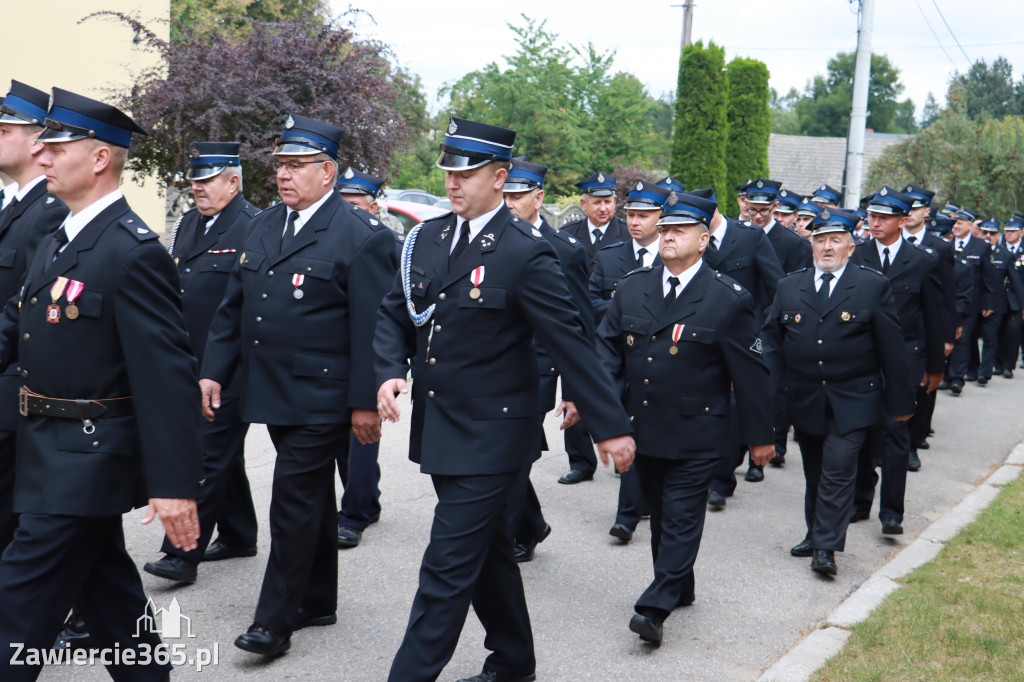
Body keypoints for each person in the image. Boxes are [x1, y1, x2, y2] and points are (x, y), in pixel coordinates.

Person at [374, 116, 635, 682]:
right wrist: (389, 370)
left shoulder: (524, 251)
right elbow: (397, 311)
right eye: (448, 172)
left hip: (495, 437)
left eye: (466, 174)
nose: (453, 184)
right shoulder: (430, 236)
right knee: (490, 553)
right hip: (442, 427)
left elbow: (573, 342)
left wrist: (609, 425)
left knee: (445, 569)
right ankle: (514, 662)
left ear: (500, 176)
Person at [0, 87, 203, 680]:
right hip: (46, 451)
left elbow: (166, 377)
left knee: (16, 612)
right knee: (111, 603)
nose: (42, 156)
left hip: (87, 460)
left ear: (99, 159)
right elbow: (15, 330)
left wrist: (174, 485)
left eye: (57, 146)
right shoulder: (59, 239)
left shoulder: (129, 252)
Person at [200, 114, 398, 656]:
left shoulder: (359, 235)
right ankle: (317, 599)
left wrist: (364, 405)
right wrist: (214, 369)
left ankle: (274, 622)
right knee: (309, 499)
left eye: (296, 166)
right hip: (272, 389)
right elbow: (232, 308)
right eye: (280, 165)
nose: (284, 175)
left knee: (290, 500)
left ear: (328, 171)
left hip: (324, 396)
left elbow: (372, 328)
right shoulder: (265, 225)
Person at [597, 189, 773, 645]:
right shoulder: (634, 286)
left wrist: (760, 438)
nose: (668, 236)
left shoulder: (727, 298)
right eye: (665, 228)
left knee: (679, 517)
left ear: (704, 240)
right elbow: (607, 355)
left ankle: (654, 608)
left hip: (698, 430)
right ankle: (681, 584)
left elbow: (752, 376)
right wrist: (599, 412)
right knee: (659, 515)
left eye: (680, 229)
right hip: (643, 427)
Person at [762, 207, 914, 575]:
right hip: (806, 397)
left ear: (851, 246)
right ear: (811, 245)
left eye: (835, 240)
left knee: (838, 469)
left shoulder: (871, 285)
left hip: (855, 397)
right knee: (815, 470)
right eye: (820, 240)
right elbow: (771, 343)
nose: (827, 247)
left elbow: (892, 346)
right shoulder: (790, 286)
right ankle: (815, 533)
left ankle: (826, 547)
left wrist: (901, 402)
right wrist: (769, 396)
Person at [141, 142, 261, 586]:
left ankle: (181, 552)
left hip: (231, 366)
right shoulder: (189, 223)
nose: (197, 188)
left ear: (233, 182)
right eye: (194, 180)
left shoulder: (253, 226)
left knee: (205, 452)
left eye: (207, 180)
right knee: (223, 453)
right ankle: (239, 533)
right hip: (190, 359)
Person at [501, 157, 591, 563]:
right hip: (496, 365)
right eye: (504, 195)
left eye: (517, 196)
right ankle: (530, 523)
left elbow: (578, 327)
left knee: (516, 450)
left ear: (538, 197)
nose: (509, 203)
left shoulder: (564, 251)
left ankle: (517, 531)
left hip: (539, 367)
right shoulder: (492, 239)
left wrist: (575, 391)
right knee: (510, 451)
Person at [850, 187, 943, 535]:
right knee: (859, 434)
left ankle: (891, 512)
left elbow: (934, 319)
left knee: (895, 437)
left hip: (904, 364)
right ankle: (860, 501)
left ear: (903, 221)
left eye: (883, 218)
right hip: (861, 361)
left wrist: (935, 367)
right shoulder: (856, 256)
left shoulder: (922, 261)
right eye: (872, 216)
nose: (874, 223)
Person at [0, 80, 68, 556]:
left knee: (24, 512)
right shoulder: (12, 203)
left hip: (18, 381)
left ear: (36, 140)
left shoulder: (48, 209)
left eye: (4, 130)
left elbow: (34, 307)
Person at [589, 180, 670, 544]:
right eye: (631, 215)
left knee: (655, 436)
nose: (635, 222)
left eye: (644, 216)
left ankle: (651, 500)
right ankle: (626, 515)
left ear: (661, 219)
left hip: (664, 361)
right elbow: (591, 302)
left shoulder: (677, 255)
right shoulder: (610, 256)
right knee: (627, 425)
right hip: (620, 357)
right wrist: (629, 312)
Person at [691, 187, 783, 505]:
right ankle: (698, 472)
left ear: (712, 214)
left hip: (743, 340)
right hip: (699, 339)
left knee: (733, 408)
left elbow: (776, 289)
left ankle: (721, 480)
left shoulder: (749, 237)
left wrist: (763, 337)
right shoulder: (691, 240)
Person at [554, 171, 628, 485]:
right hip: (576, 326)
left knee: (621, 391)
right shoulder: (566, 235)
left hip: (616, 329)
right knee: (575, 390)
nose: (603, 208)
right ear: (583, 204)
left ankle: (625, 456)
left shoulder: (628, 235)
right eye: (596, 202)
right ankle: (581, 462)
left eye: (608, 202)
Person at [333, 166, 392, 549]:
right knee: (341, 439)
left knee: (361, 436)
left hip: (368, 354)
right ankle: (366, 499)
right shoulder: (329, 238)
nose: (348, 210)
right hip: (330, 358)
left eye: (355, 204)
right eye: (343, 203)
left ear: (372, 207)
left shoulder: (382, 241)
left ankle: (354, 514)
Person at [744, 179, 812, 468]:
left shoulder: (792, 243)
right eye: (753, 210)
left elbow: (796, 287)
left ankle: (776, 442)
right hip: (744, 322)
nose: (758, 216)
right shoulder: (739, 237)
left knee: (775, 387)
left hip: (776, 324)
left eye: (764, 210)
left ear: (775, 207)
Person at [900, 185, 955, 455]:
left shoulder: (940, 248)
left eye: (915, 208)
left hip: (922, 332)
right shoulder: (891, 242)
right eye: (905, 208)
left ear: (927, 212)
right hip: (895, 328)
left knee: (921, 391)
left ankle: (912, 444)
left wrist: (946, 337)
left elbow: (947, 296)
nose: (909, 213)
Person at [948, 207, 996, 394]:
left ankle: (957, 378)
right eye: (954, 223)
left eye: (960, 223)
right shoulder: (946, 244)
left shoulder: (981, 246)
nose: (956, 226)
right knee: (946, 338)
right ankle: (945, 375)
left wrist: (989, 302)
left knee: (963, 340)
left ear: (970, 225)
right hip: (947, 302)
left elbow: (989, 277)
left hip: (970, 303)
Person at [996, 214, 1024, 377]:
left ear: (1021, 232)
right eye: (1007, 231)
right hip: (1000, 296)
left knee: (1013, 333)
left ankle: (1009, 366)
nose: (1009, 233)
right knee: (997, 332)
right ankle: (998, 364)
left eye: (1013, 231)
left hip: (1018, 299)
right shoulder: (998, 248)